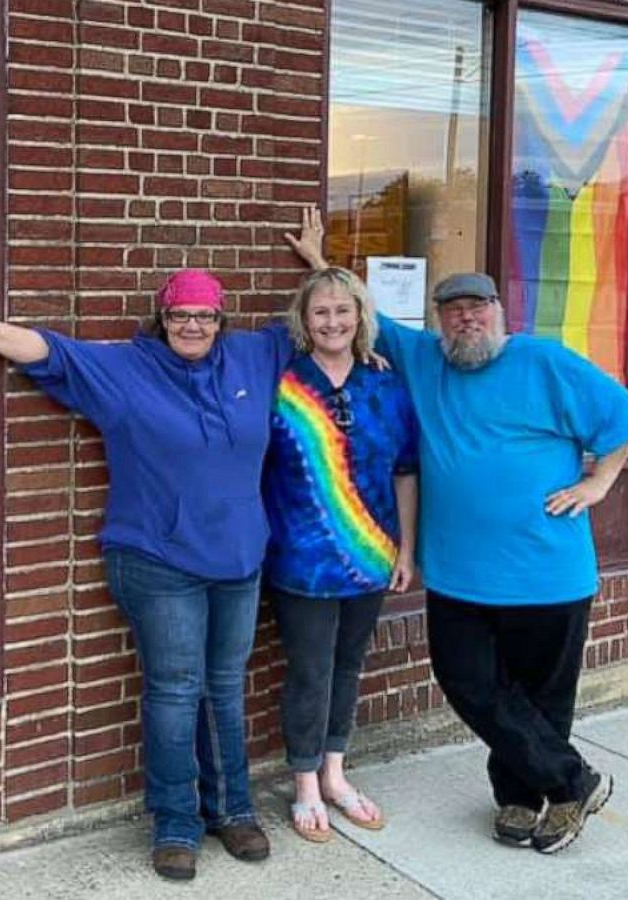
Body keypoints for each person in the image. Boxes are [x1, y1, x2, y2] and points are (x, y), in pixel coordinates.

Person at [289, 211, 628, 854]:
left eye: (477, 308)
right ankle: (571, 781)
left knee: (541, 700)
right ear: (438, 320)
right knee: (469, 683)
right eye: (453, 310)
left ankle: (524, 801)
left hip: (547, 573)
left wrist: (599, 484)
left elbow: (622, 420)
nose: (466, 320)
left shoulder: (543, 360)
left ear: (499, 311)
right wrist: (322, 262)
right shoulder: (425, 358)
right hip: (459, 572)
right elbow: (347, 314)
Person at [0, 270, 292, 881]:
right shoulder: (129, 369)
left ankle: (232, 809)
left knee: (224, 687)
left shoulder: (253, 356)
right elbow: (52, 350)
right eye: (180, 316)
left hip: (239, 557)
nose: (193, 327)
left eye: (205, 316)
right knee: (177, 691)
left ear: (222, 320)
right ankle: (176, 821)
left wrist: (319, 265)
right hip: (158, 558)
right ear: (162, 319)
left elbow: (327, 326)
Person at [260, 266, 417, 843]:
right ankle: (303, 781)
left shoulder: (385, 383)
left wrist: (406, 547)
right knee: (309, 670)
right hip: (301, 559)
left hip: (371, 555)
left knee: (349, 666)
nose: (332, 321)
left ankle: (334, 773)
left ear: (360, 318)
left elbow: (405, 472)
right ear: (304, 321)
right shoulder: (284, 384)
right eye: (320, 311)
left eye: (343, 311)